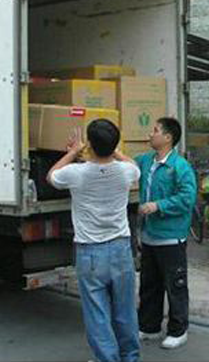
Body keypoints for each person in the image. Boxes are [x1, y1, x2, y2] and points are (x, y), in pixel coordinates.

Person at [48, 119, 141, 362]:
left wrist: (73, 152)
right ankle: (130, 357)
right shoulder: (125, 171)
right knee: (125, 310)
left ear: (90, 144)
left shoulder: (76, 173)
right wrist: (115, 151)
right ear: (115, 143)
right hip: (121, 249)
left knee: (97, 313)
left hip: (90, 253)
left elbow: (51, 176)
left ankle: (108, 359)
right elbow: (134, 166)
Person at [135, 117, 197, 349]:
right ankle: (149, 326)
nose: (151, 134)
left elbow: (187, 198)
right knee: (149, 284)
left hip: (171, 237)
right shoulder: (146, 160)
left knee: (175, 285)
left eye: (156, 130)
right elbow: (127, 165)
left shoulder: (179, 167)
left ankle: (178, 330)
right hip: (149, 235)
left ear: (168, 137)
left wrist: (157, 206)